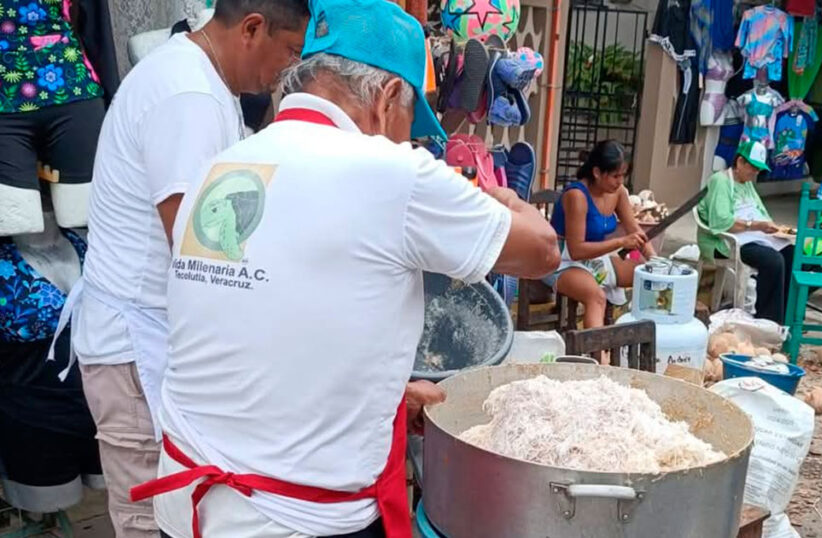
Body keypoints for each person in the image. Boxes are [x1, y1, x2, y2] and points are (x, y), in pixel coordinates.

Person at [131, 0, 559, 536]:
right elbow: (542, 250)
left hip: (188, 507)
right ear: (384, 100)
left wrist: (384, 389)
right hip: (292, 520)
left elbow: (264, 322)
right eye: (410, 120)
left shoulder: (221, 167)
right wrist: (499, 196)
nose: (410, 139)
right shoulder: (390, 172)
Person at [47, 1, 310, 536]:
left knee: (180, 511)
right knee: (149, 517)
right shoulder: (187, 95)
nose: (288, 69)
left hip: (159, 338)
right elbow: (201, 248)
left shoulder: (208, 83)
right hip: (136, 350)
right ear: (252, 28)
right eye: (290, 51)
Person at [543, 140, 655, 329]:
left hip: (594, 258)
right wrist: (620, 242)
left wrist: (655, 260)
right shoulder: (577, 196)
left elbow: (635, 230)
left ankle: (641, 336)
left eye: (623, 176)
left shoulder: (619, 192)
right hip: (562, 260)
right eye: (615, 176)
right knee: (596, 297)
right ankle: (598, 356)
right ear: (596, 173)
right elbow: (576, 250)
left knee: (648, 277)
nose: (620, 182)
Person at [697, 140, 793, 324]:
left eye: (758, 170)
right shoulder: (720, 181)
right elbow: (721, 221)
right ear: (740, 162)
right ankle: (767, 320)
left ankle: (784, 317)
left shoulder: (747, 183)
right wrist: (756, 226)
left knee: (790, 252)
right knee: (773, 260)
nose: (755, 173)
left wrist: (776, 229)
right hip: (726, 241)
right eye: (753, 168)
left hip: (752, 236)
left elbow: (761, 212)